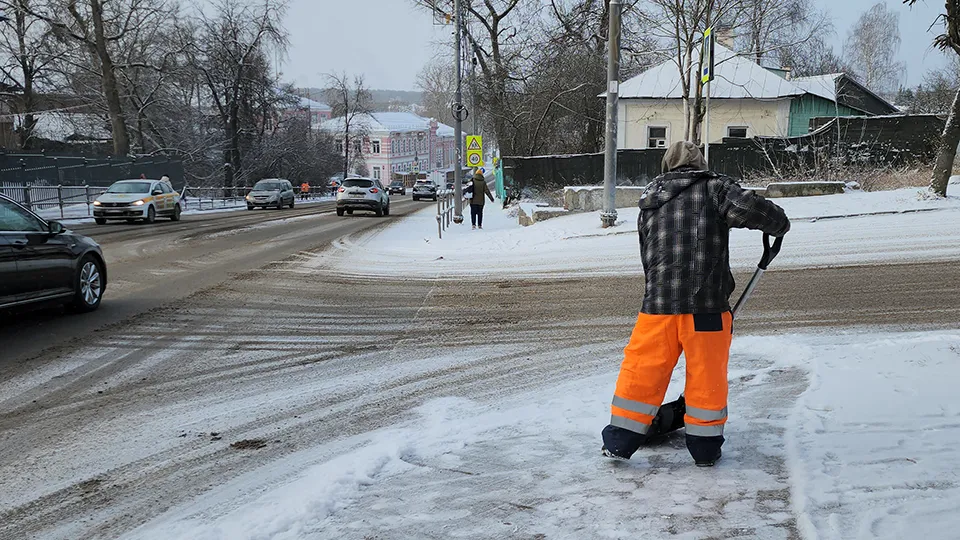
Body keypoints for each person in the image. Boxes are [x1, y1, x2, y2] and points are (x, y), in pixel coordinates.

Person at [601, 141, 791, 467]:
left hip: (657, 306)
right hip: (706, 309)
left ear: (666, 167)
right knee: (707, 376)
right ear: (700, 163)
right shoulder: (715, 188)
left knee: (641, 372)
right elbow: (754, 210)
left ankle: (619, 441)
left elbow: (649, 255)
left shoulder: (649, 200)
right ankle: (704, 450)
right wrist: (780, 223)